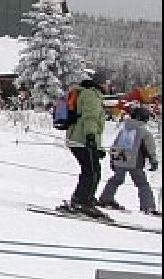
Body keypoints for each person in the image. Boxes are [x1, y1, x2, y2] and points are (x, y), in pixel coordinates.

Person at [62, 79, 110, 218]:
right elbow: (90, 117)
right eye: (107, 83)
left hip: (76, 139)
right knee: (93, 172)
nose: (108, 86)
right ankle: (84, 202)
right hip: (83, 139)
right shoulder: (91, 95)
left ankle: (80, 199)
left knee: (89, 170)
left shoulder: (82, 93)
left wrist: (97, 147)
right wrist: (91, 137)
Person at [99, 107, 159, 215]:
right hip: (135, 162)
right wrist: (153, 160)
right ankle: (148, 206)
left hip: (120, 160)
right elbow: (150, 148)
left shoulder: (124, 130)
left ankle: (106, 198)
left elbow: (115, 145)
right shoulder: (144, 132)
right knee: (142, 184)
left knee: (115, 180)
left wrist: (112, 160)